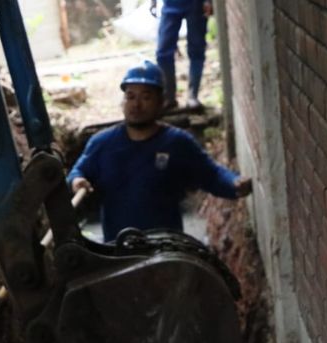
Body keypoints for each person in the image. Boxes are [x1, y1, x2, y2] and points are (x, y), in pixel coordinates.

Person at [68, 61, 252, 243]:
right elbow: (77, 172)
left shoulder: (177, 142)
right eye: (130, 97)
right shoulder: (102, 143)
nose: (136, 105)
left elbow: (211, 175)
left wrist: (233, 183)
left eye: (146, 97)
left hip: (166, 251)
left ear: (161, 102)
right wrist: (77, 181)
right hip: (118, 252)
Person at [150, 0, 212, 110]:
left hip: (195, 4)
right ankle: (169, 97)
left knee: (197, 50)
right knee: (163, 53)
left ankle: (193, 96)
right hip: (170, 4)